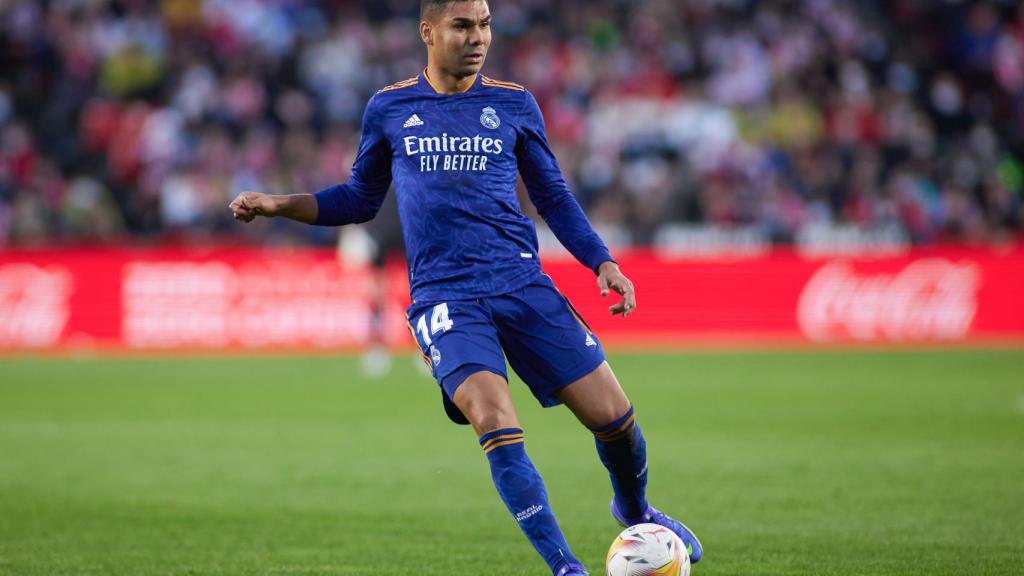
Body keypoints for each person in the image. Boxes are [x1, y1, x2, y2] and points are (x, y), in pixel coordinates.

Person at [228, 1, 702, 573]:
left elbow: (551, 195)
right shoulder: (389, 107)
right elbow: (359, 198)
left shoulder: (514, 103)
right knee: (496, 422)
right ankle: (566, 567)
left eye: (484, 25)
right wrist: (280, 204)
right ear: (428, 32)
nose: (478, 37)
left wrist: (601, 262)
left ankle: (634, 509)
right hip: (446, 298)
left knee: (618, 422)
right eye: (463, 25)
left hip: (523, 285)